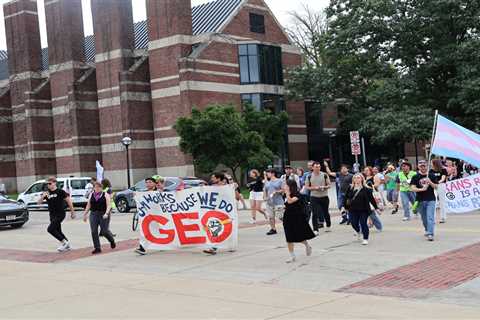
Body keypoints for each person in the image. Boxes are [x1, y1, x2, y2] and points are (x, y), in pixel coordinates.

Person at [38, 176, 76, 252]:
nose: (48, 185)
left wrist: (72, 212)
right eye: (47, 184)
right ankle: (67, 245)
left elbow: (69, 201)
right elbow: (39, 203)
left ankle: (64, 243)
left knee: (50, 229)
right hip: (52, 214)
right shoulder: (47, 193)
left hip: (60, 214)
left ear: (54, 183)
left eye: (49, 183)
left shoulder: (60, 192)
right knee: (58, 231)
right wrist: (42, 196)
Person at [342, 174, 381, 245]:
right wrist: (344, 207)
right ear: (353, 180)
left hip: (364, 210)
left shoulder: (367, 189)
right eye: (355, 178)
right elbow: (346, 198)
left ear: (362, 179)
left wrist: (376, 208)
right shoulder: (350, 187)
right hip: (352, 209)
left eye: (358, 178)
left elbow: (371, 199)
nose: (357, 179)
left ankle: (365, 238)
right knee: (354, 223)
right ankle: (358, 231)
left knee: (363, 224)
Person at [282, 179, 315, 263]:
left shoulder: (297, 194)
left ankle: (307, 245)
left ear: (290, 186)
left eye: (285, 185)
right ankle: (292, 256)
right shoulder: (285, 195)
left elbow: (290, 201)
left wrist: (287, 194)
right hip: (287, 217)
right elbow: (287, 205)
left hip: (297, 218)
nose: (284, 186)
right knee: (289, 238)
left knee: (299, 236)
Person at [82, 182, 116, 254]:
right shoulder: (91, 194)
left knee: (104, 231)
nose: (97, 189)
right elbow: (88, 205)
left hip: (103, 213)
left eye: (98, 187)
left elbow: (109, 205)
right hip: (94, 214)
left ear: (101, 188)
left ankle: (111, 240)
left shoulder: (105, 194)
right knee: (94, 231)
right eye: (95, 187)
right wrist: (85, 214)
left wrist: (106, 213)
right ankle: (97, 248)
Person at [410, 160, 438, 241]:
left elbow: (436, 187)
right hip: (420, 200)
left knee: (430, 217)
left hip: (431, 199)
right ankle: (427, 229)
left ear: (427, 166)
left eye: (424, 165)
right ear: (418, 166)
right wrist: (422, 189)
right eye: (421, 165)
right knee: (424, 218)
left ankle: (430, 233)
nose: (423, 167)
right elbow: (412, 188)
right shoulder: (415, 176)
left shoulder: (431, 175)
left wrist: (430, 182)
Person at [204, 172, 227, 255]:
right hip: (215, 213)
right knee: (214, 229)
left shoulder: (226, 187)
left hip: (224, 212)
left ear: (218, 179)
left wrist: (233, 188)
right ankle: (213, 247)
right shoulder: (212, 187)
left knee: (220, 229)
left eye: (213, 178)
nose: (211, 179)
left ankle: (214, 247)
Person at [306, 162, 331, 234]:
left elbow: (329, 185)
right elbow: (307, 186)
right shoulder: (309, 176)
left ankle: (328, 225)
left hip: (324, 196)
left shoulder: (324, 175)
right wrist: (314, 188)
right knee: (315, 213)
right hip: (314, 197)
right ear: (312, 168)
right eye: (316, 167)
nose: (318, 168)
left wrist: (323, 187)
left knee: (325, 212)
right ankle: (315, 229)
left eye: (319, 167)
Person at [135, 177, 158, 255]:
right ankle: (142, 248)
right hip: (147, 217)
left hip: (159, 217)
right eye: (147, 182)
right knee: (145, 231)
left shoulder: (159, 192)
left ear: (155, 183)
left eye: (150, 182)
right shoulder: (143, 193)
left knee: (160, 231)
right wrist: (136, 196)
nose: (148, 184)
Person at [264, 169, 284, 235]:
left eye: (268, 173)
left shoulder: (279, 181)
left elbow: (283, 190)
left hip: (278, 202)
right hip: (269, 202)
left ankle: (290, 226)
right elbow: (265, 190)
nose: (267, 174)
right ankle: (273, 229)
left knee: (280, 217)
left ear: (273, 173)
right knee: (271, 217)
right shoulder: (267, 182)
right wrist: (265, 197)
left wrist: (276, 191)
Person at [363, 166, 383, 231]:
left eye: (367, 170)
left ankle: (378, 226)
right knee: (368, 212)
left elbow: (377, 184)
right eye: (365, 170)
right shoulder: (364, 178)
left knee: (371, 212)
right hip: (365, 196)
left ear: (370, 171)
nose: (366, 172)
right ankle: (371, 223)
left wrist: (368, 186)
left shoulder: (374, 177)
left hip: (372, 196)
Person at [430, 159, 448, 223]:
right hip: (433, 186)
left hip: (441, 185)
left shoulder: (443, 170)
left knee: (442, 202)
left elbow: (443, 178)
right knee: (433, 202)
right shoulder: (431, 171)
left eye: (432, 163)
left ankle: (443, 217)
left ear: (435, 163)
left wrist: (437, 182)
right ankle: (433, 218)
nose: (431, 164)